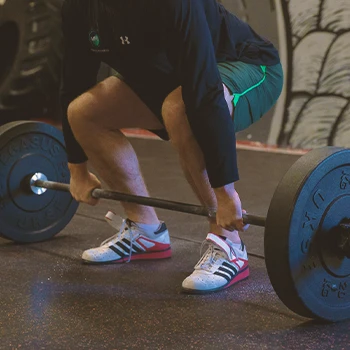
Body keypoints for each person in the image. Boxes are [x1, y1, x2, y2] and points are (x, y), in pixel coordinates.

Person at [60, 0, 283, 294]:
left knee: (180, 109)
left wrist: (225, 195)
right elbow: (75, 78)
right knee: (83, 113)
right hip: (170, 74)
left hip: (247, 65)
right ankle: (145, 231)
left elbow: (204, 92)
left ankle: (229, 244)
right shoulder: (79, 6)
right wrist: (76, 169)